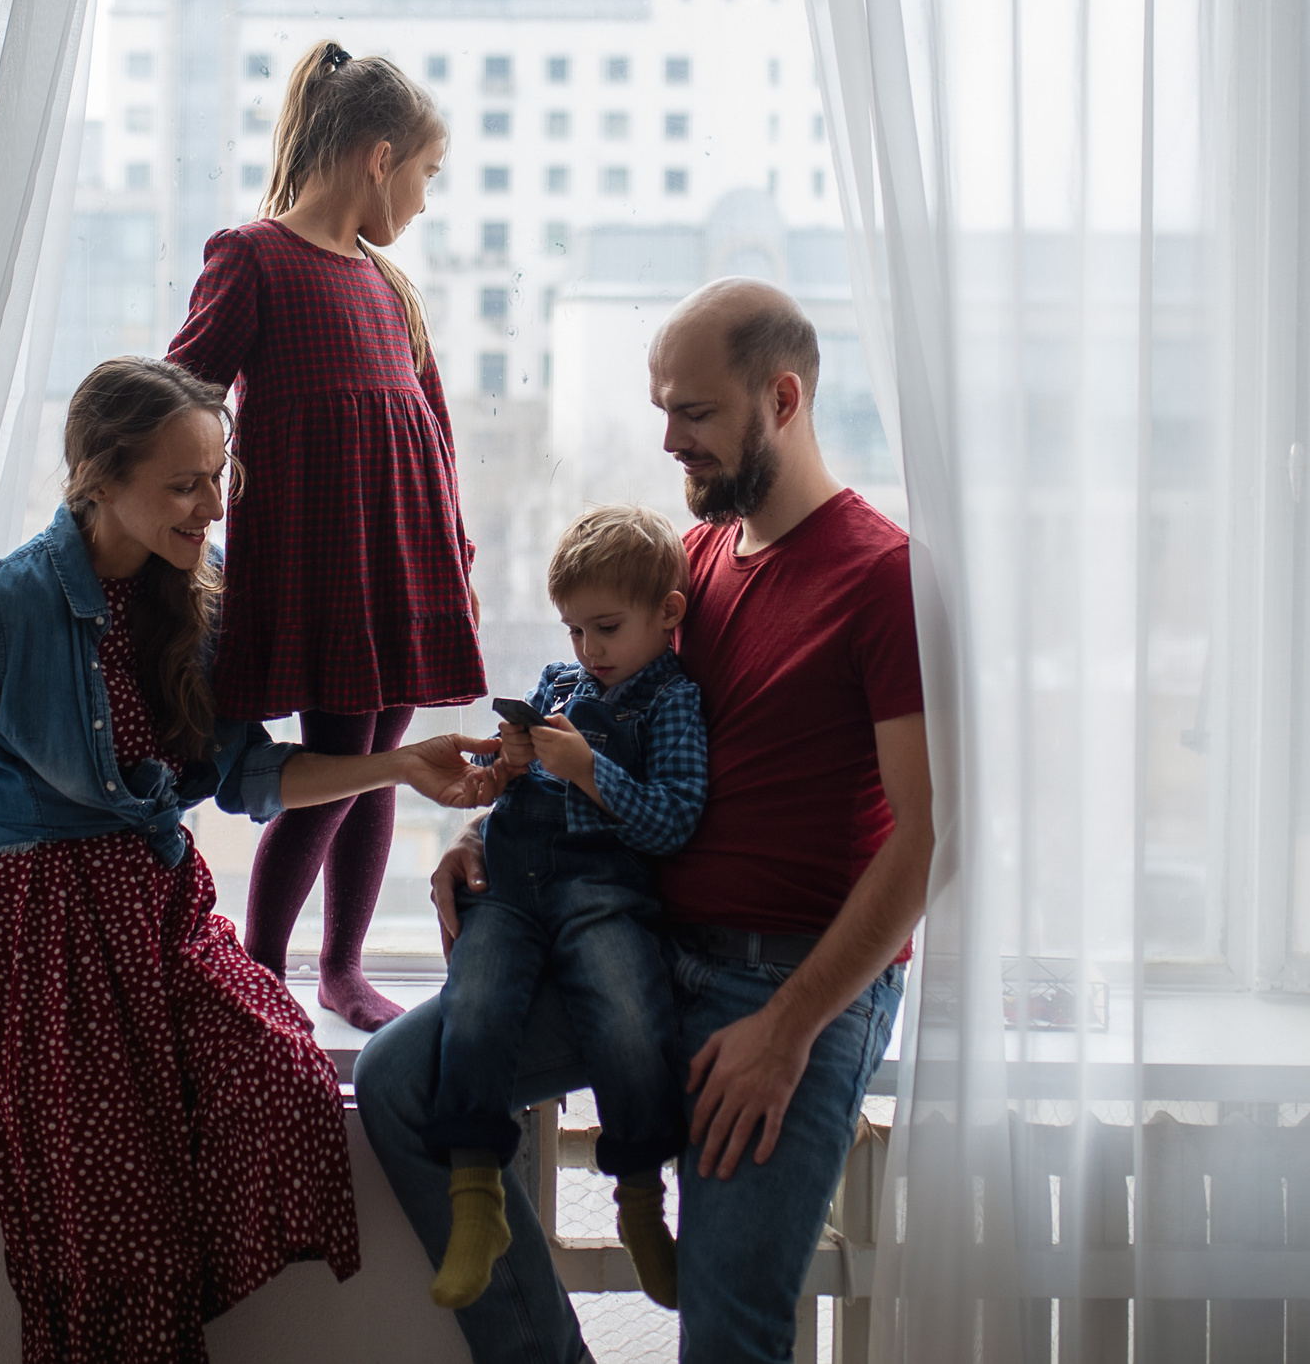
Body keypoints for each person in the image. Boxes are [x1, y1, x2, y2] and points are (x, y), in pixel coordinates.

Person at [0, 358, 496, 1364]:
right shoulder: (1, 607)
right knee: (110, 1246)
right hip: (39, 940)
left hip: (159, 915)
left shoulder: (200, 605)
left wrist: (399, 763)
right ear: (99, 475)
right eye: (183, 482)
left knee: (285, 1083)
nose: (209, 505)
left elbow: (248, 776)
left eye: (218, 475)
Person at [356, 280, 934, 1363]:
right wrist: (486, 839)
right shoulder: (692, 568)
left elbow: (926, 840)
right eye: (662, 409)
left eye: (696, 414)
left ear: (783, 398)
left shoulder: (882, 576)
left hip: (783, 984)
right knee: (398, 1081)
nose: (669, 439)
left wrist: (788, 1028)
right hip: (642, 943)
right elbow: (600, 743)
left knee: (725, 1329)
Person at [167, 39, 484, 1033]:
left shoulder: (389, 287)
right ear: (378, 158)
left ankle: (341, 965)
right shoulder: (254, 258)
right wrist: (179, 523)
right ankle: (263, 969)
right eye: (426, 174)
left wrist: (459, 560)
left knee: (382, 746)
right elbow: (180, 397)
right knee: (346, 751)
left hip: (403, 556)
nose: (426, 202)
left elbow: (431, 433)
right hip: (323, 562)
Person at [426, 505, 708, 1312]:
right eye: (575, 630)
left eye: (607, 629)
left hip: (603, 886)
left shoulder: (672, 702)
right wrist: (514, 762)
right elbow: (512, 794)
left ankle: (641, 1201)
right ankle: (476, 1197)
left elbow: (672, 819)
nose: (589, 650)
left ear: (668, 614)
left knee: (628, 1013)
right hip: (514, 882)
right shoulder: (562, 681)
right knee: (471, 1006)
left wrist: (590, 770)